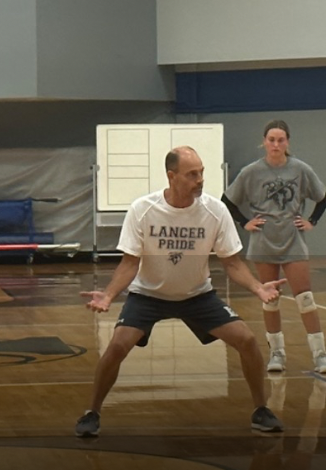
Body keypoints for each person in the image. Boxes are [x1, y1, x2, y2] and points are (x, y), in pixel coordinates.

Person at [75, 146, 287, 438]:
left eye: (201, 173)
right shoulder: (143, 209)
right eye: (192, 174)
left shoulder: (215, 210)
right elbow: (129, 263)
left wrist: (256, 287)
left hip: (197, 296)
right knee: (117, 347)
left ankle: (261, 410)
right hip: (148, 296)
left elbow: (232, 262)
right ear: (171, 176)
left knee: (247, 340)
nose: (200, 179)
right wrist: (110, 295)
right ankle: (92, 413)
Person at [223, 120, 326, 375]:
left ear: (287, 142)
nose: (275, 144)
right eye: (271, 140)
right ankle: (277, 352)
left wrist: (311, 221)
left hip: (293, 239)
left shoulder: (300, 169)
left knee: (305, 298)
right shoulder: (251, 172)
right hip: (264, 241)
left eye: (280, 140)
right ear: (264, 142)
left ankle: (320, 354)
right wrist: (245, 222)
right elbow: (226, 200)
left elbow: (324, 197)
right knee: (270, 299)